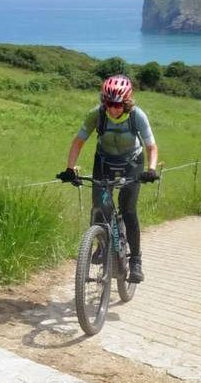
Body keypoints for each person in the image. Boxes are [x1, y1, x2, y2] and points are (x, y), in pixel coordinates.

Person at [59, 74, 159, 283]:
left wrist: (150, 169)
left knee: (128, 210)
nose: (113, 109)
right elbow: (78, 142)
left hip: (132, 162)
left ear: (127, 102)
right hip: (104, 161)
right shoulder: (96, 114)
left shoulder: (137, 115)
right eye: (109, 104)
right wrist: (69, 169)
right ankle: (100, 245)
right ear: (104, 101)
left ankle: (136, 261)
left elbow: (151, 146)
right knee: (99, 206)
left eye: (118, 105)